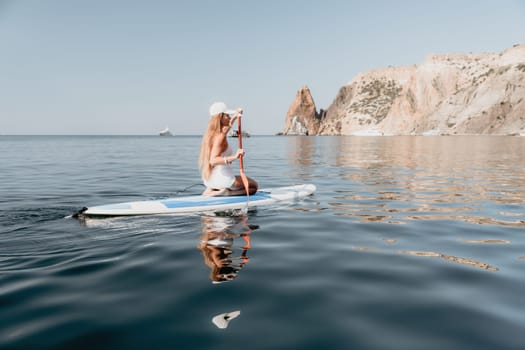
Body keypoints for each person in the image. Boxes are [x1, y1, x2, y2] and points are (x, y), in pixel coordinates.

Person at [199, 102, 258, 197]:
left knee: (245, 183)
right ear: (220, 118)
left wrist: (235, 116)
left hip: (209, 180)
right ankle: (227, 192)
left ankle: (211, 189)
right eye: (227, 115)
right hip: (223, 180)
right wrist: (234, 157)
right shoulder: (220, 137)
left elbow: (227, 128)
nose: (229, 117)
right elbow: (213, 160)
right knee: (253, 187)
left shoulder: (211, 135)